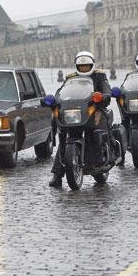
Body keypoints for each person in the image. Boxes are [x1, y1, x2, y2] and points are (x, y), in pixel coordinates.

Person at [49, 51, 112, 188]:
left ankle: (107, 153)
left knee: (101, 126)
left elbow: (107, 91)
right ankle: (57, 174)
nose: (84, 68)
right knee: (64, 139)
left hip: (94, 109)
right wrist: (56, 99)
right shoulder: (71, 78)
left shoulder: (99, 76)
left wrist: (103, 97)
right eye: (81, 66)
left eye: (87, 65)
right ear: (77, 66)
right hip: (76, 112)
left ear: (92, 65)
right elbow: (61, 91)